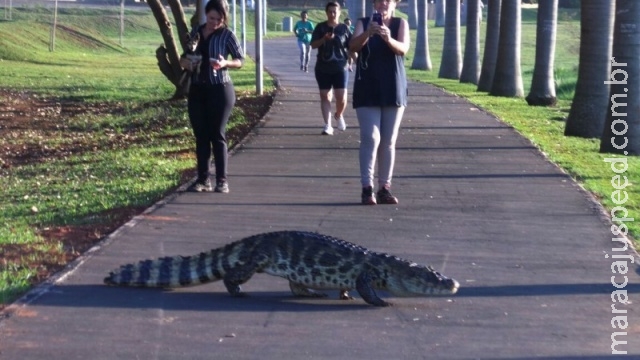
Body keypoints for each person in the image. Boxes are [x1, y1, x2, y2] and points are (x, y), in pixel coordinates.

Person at [348, 0, 410, 205]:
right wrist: (368, 34)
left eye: (387, 0)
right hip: (367, 86)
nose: (383, 3)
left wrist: (387, 38)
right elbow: (352, 46)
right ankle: (367, 188)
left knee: (388, 140)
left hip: (393, 86)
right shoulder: (363, 23)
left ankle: (384, 187)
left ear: (394, 3)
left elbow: (403, 49)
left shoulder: (401, 24)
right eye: (379, 0)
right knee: (370, 137)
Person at [179, 0, 244, 193]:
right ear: (205, 15)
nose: (214, 22)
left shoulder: (227, 35)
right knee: (201, 135)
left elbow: (240, 60)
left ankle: (222, 180)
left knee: (217, 134)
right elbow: (184, 57)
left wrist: (226, 63)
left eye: (219, 19)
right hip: (198, 89)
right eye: (211, 18)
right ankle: (202, 179)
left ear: (224, 19)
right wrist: (187, 64)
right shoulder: (196, 32)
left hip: (220, 89)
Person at [310, 1, 352, 135]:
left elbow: (351, 46)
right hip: (323, 67)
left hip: (341, 67)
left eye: (335, 11)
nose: (332, 14)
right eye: (330, 11)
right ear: (326, 13)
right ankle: (327, 125)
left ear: (339, 13)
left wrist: (355, 60)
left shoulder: (344, 28)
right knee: (325, 95)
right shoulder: (320, 27)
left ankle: (339, 115)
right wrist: (323, 39)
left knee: (342, 97)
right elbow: (313, 45)